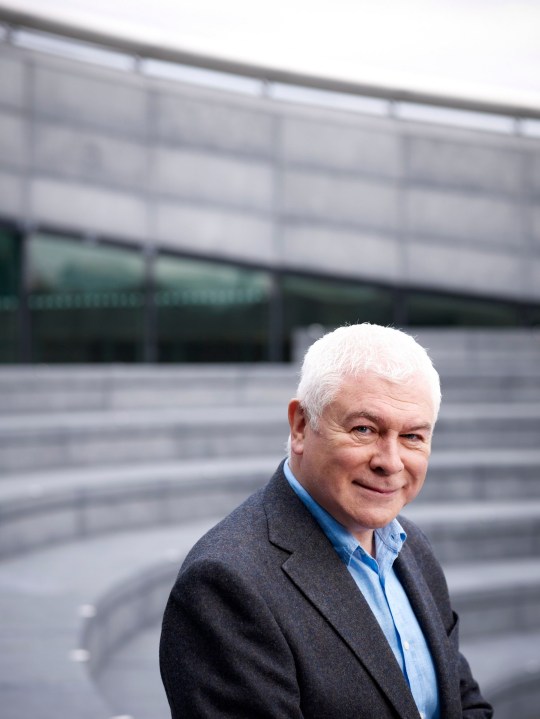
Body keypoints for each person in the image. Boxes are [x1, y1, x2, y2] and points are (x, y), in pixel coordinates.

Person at [160, 323, 493, 718]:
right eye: (364, 429)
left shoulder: (411, 547)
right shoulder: (225, 585)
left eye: (413, 437)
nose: (390, 462)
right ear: (301, 426)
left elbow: (463, 702)